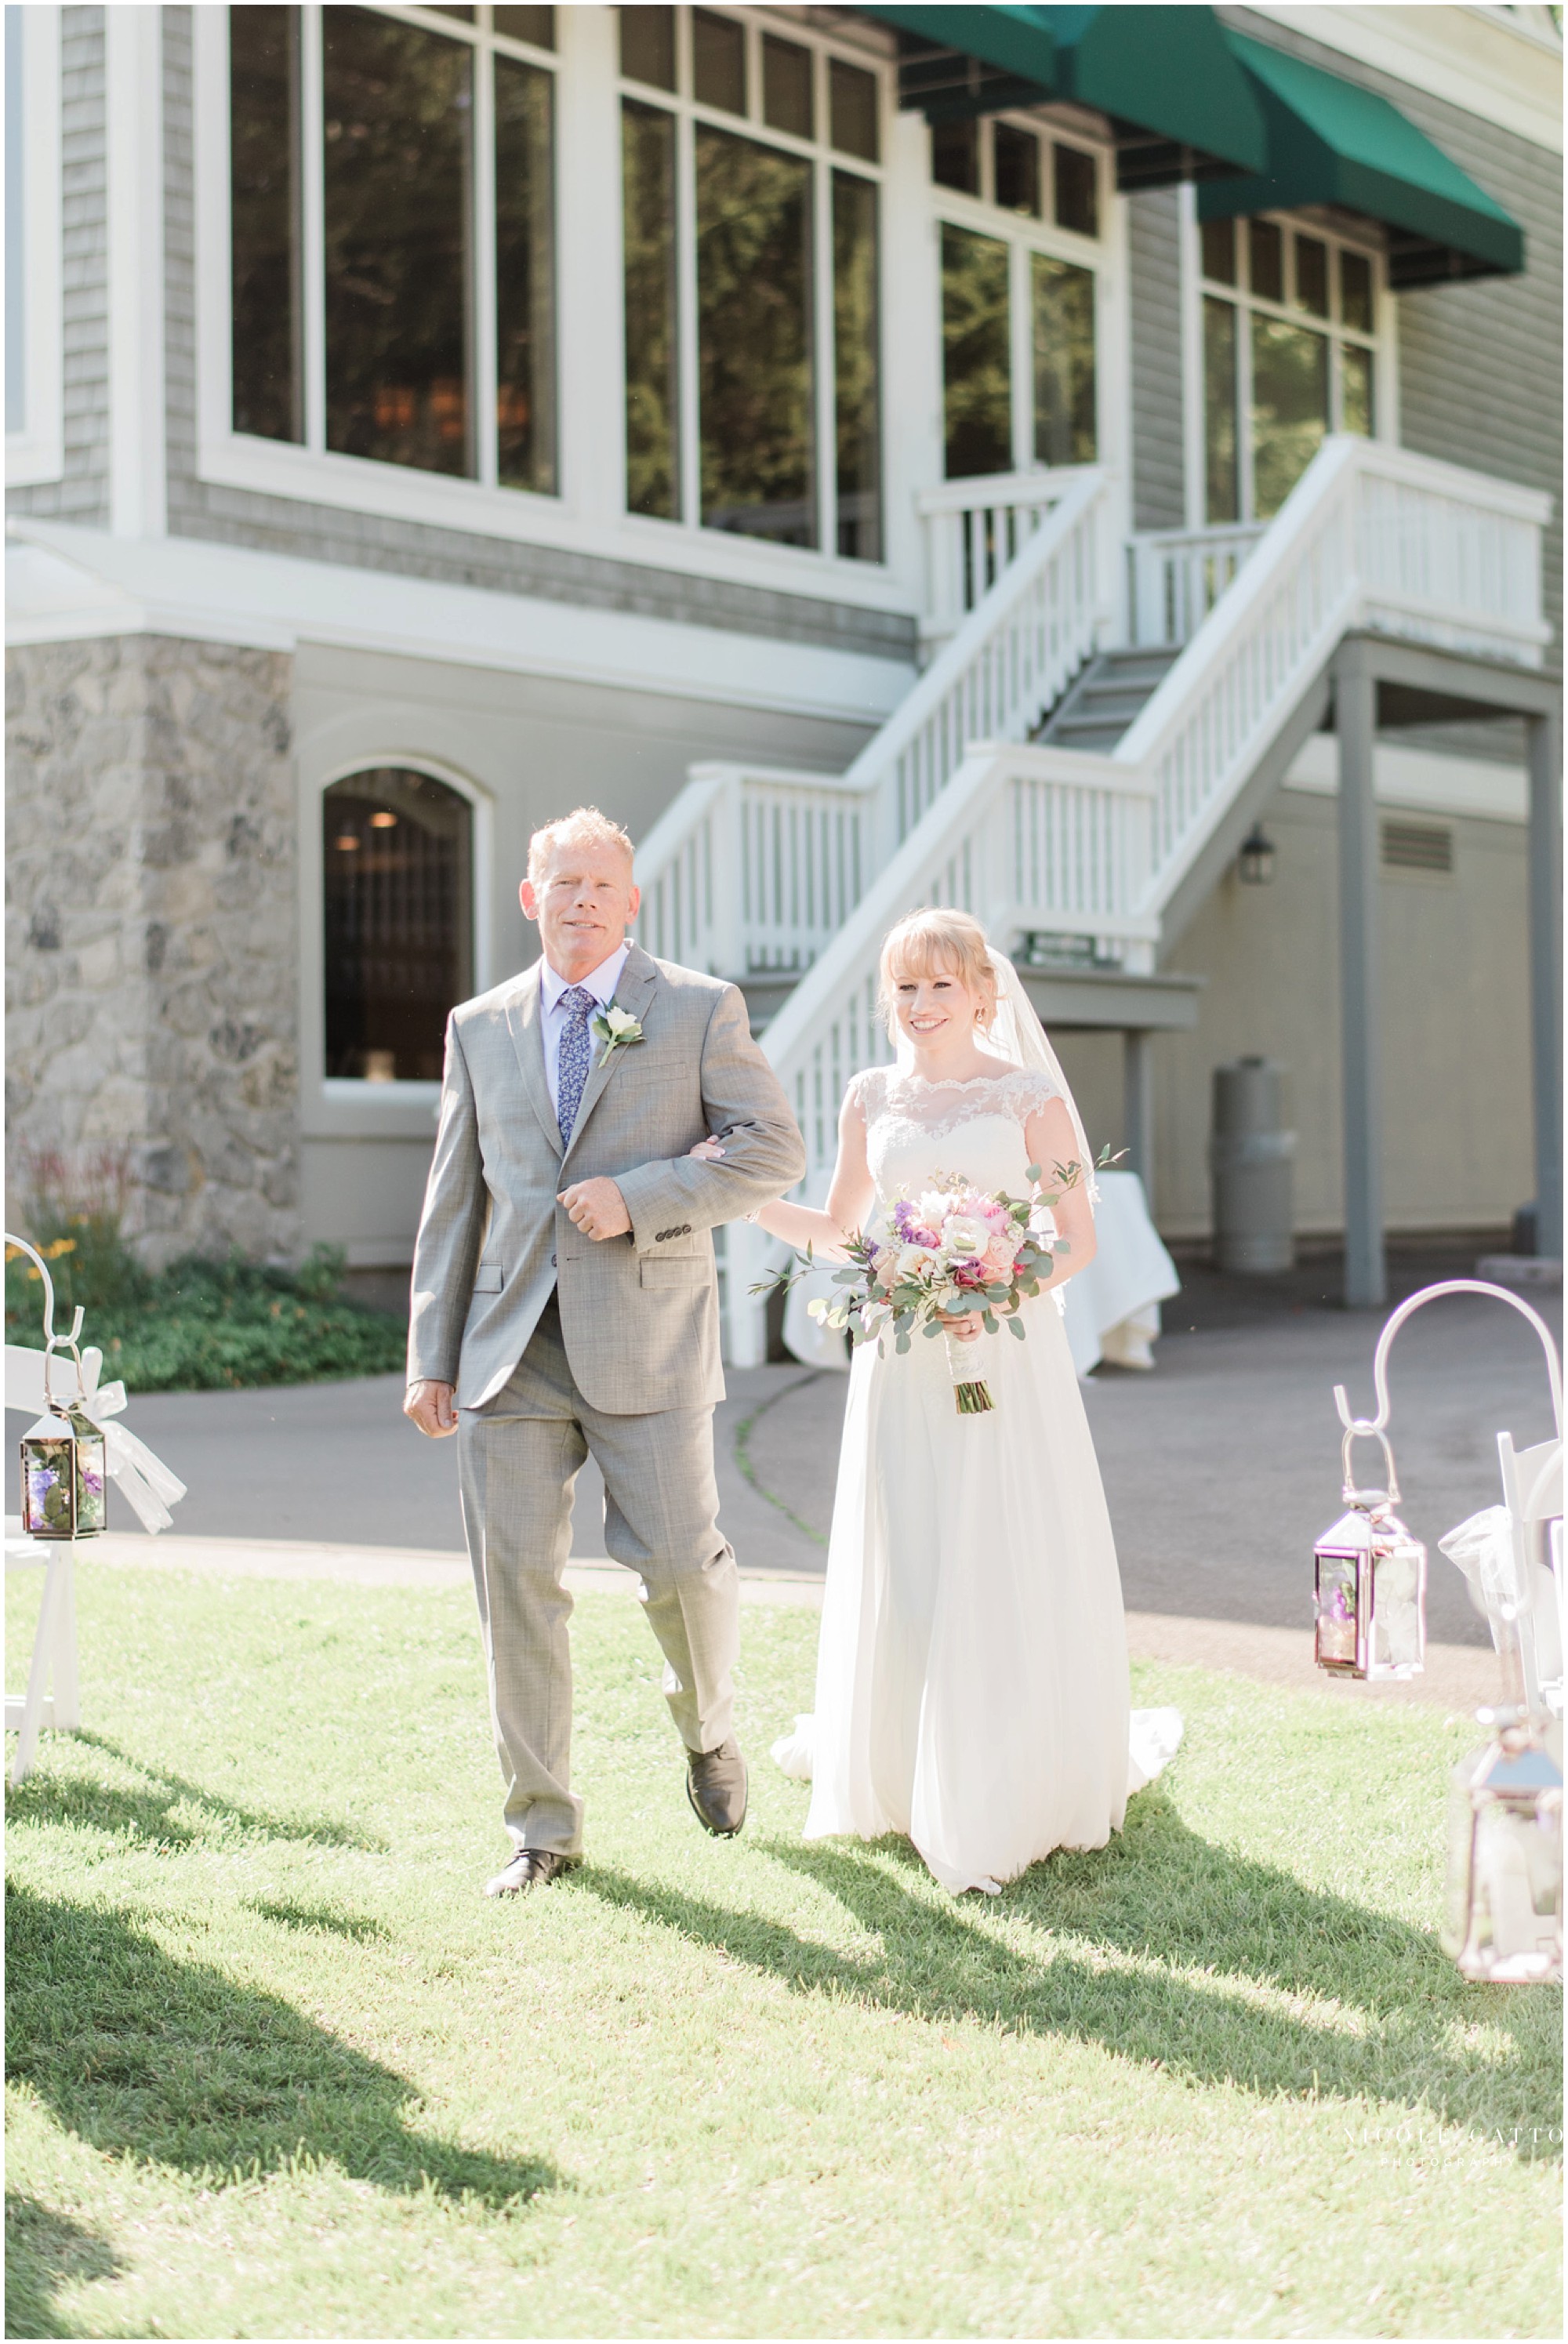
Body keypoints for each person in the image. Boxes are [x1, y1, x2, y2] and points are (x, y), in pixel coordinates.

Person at [720, 907, 1180, 1896]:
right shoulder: (868, 1095)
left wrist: (987, 1293)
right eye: (904, 987)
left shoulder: (1026, 1097)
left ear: (982, 991)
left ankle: (1007, 1780)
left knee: (997, 1541)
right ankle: (903, 1767)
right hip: (901, 1356)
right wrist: (742, 1199)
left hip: (1004, 1359)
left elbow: (1075, 1238)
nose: (921, 1005)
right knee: (918, 1545)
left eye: (940, 985)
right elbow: (847, 1230)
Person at [405, 807, 805, 1896]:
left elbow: (774, 1147)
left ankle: (709, 1725)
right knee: (517, 1586)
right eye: (561, 883)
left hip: (649, 1340)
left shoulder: (695, 1007)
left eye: (601, 885)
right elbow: (454, 1200)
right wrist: (428, 1355)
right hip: (507, 1351)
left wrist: (639, 1196)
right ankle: (543, 1829)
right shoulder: (479, 1023)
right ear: (531, 898)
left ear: (630, 902)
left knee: (680, 1565)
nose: (580, 900)